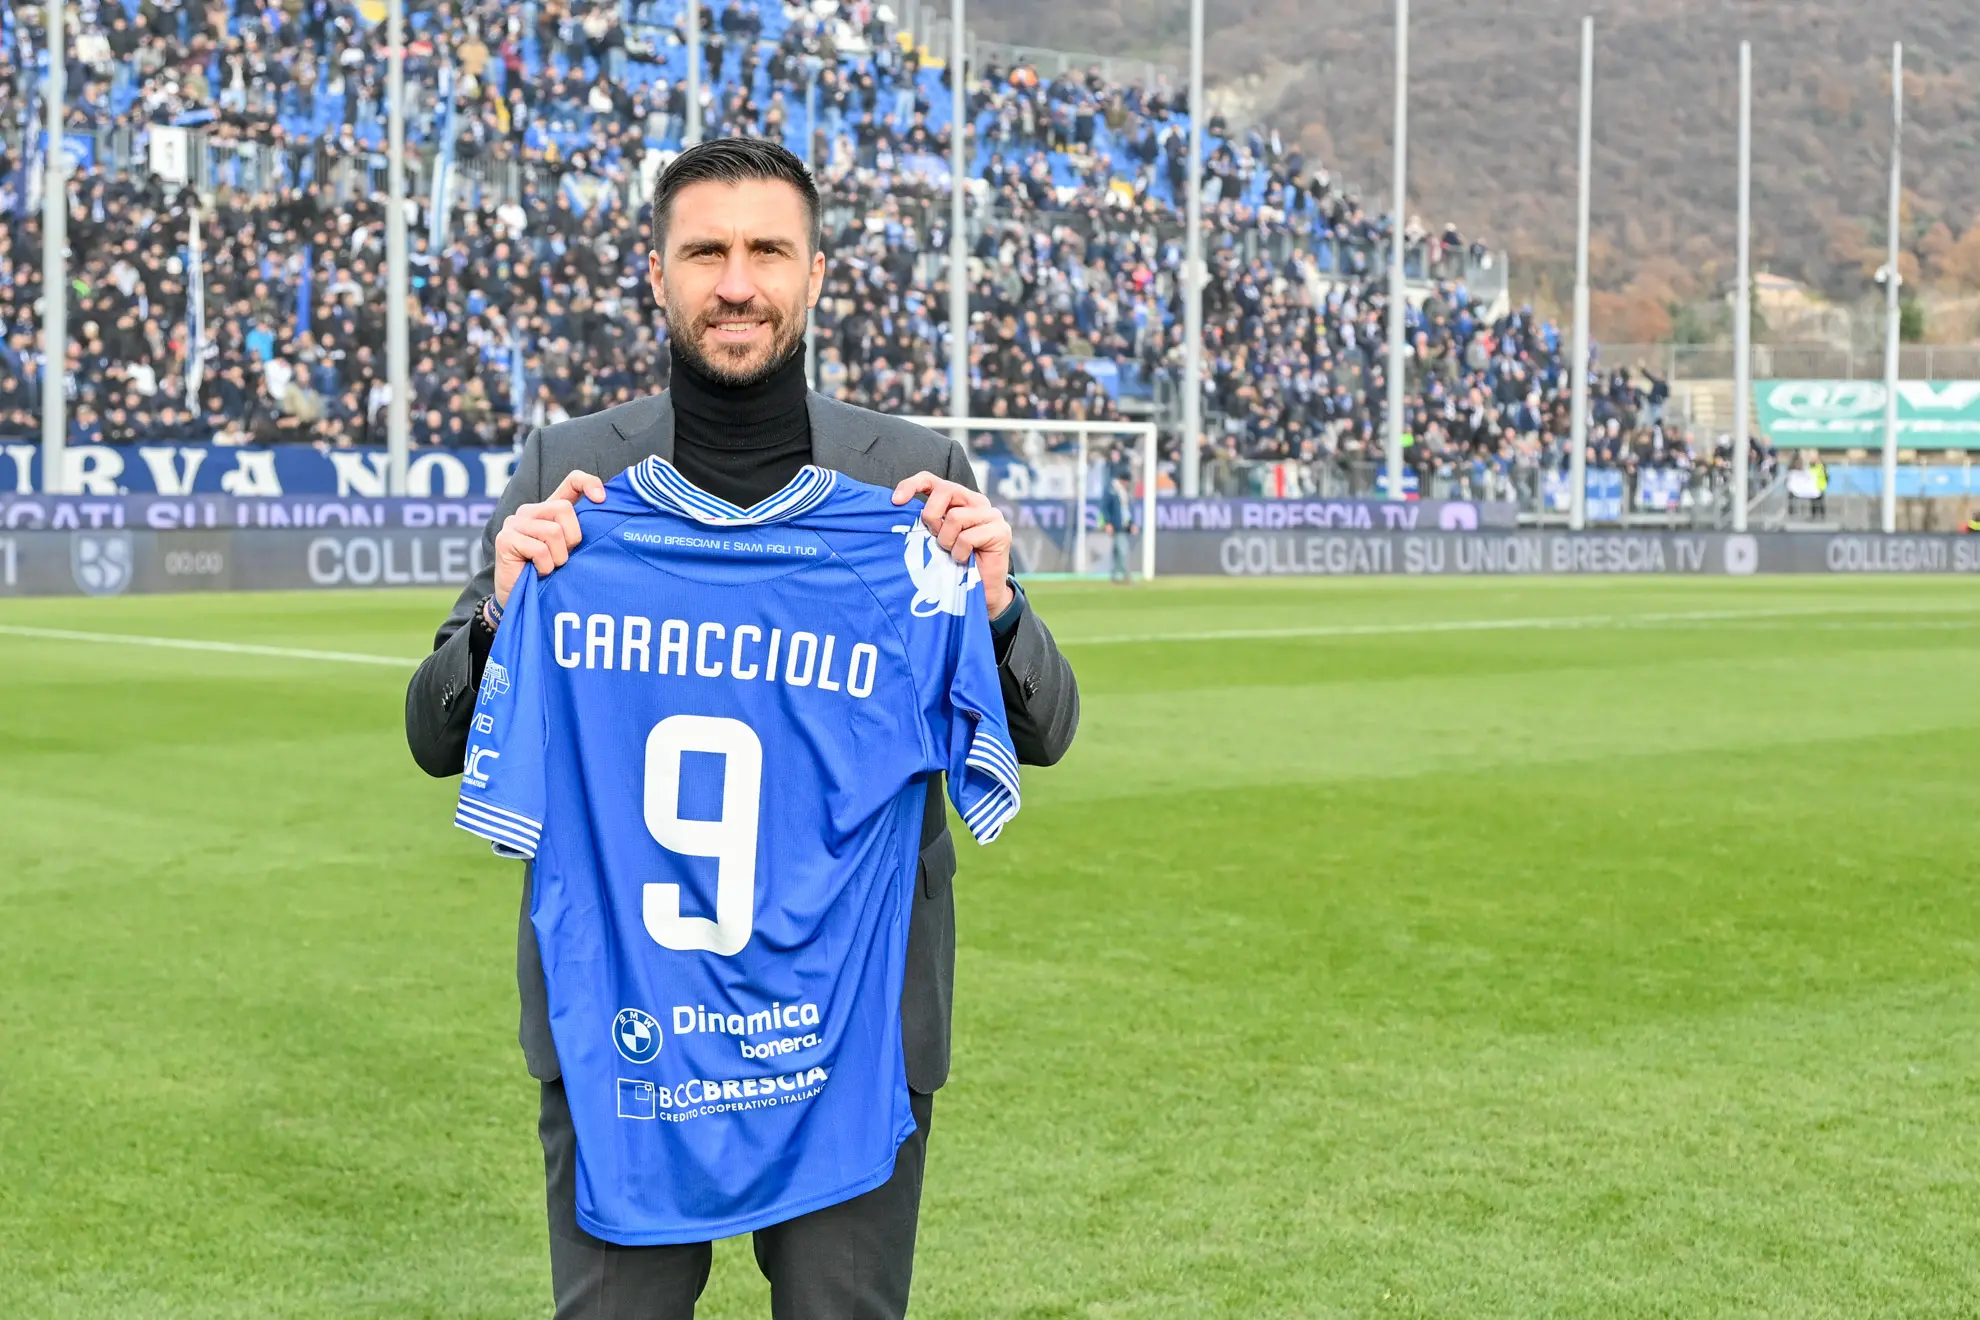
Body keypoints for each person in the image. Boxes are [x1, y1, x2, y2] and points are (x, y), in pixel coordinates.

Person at [403, 137, 1080, 1320]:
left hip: (855, 1033)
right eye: (705, 251)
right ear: (656, 275)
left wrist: (995, 605)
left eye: (767, 250)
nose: (736, 282)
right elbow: (433, 731)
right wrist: (509, 608)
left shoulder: (911, 483)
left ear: (815, 275)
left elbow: (1048, 726)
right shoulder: (573, 480)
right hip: (628, 1027)